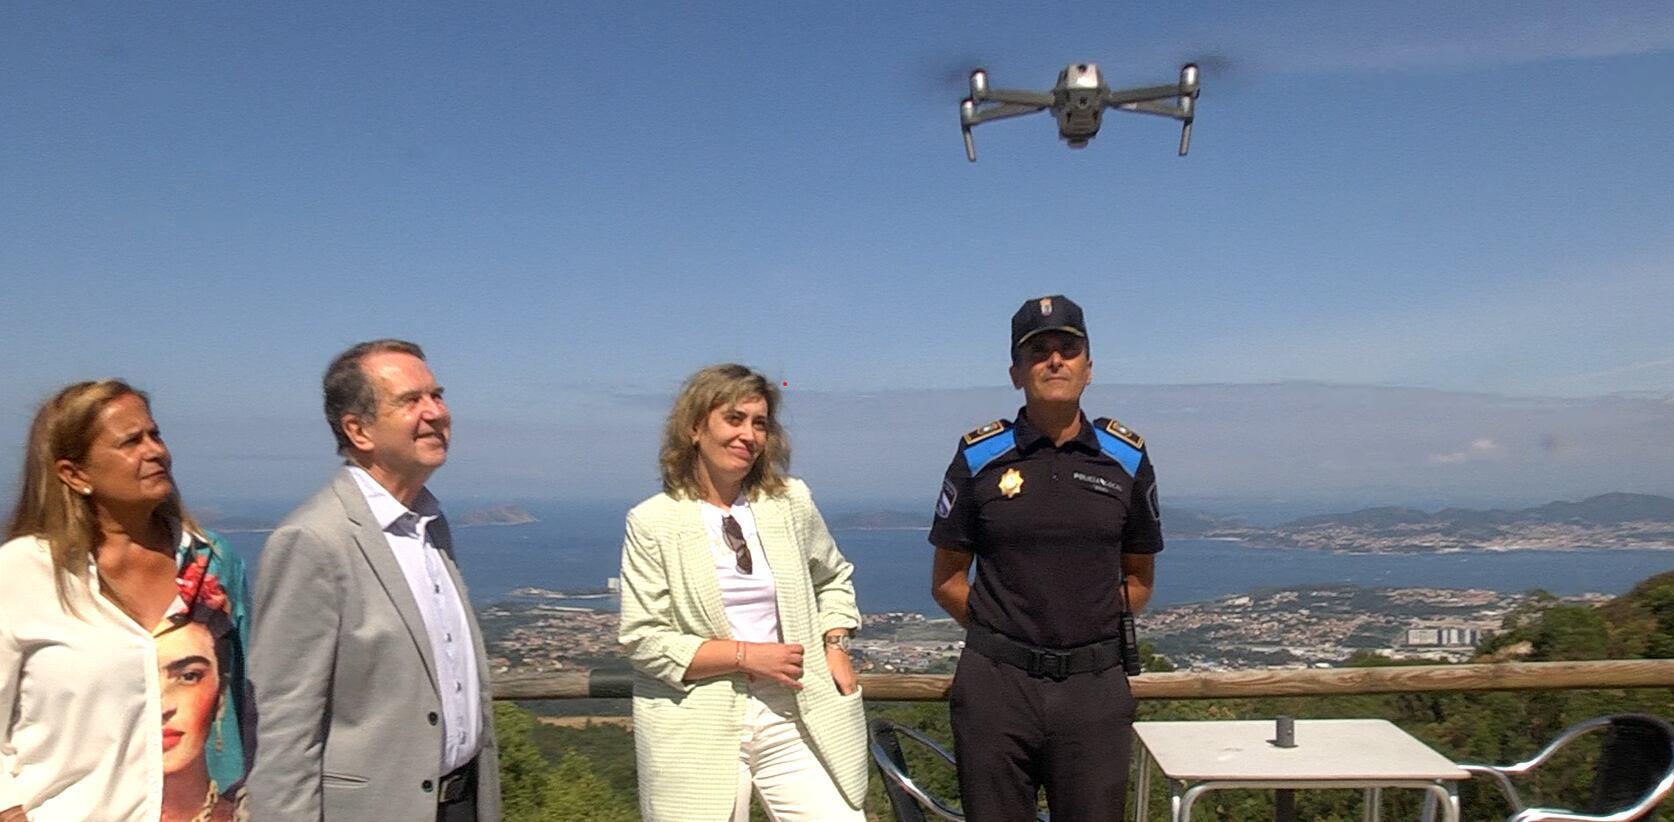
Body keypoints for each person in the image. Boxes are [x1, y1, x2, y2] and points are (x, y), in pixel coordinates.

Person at [929, 295, 1164, 822]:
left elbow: (1140, 577)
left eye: (1068, 349)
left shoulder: (1126, 458)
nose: (1054, 360)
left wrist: (1082, 627)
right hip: (996, 688)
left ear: (1089, 367)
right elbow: (946, 580)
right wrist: (1007, 632)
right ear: (1016, 373)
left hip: (1093, 688)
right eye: (1037, 351)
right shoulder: (979, 456)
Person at [245, 339, 501, 822]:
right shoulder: (313, 539)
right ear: (358, 430)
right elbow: (284, 722)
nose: (436, 413)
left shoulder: (430, 525)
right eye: (411, 400)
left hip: (463, 802)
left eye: (437, 395)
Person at [618, 364, 868, 822]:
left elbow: (833, 577)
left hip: (793, 711)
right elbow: (643, 638)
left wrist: (835, 644)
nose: (749, 435)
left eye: (759, 423)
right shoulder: (654, 522)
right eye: (734, 419)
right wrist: (746, 656)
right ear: (695, 428)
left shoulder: (790, 502)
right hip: (698, 721)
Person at [0, 380, 252, 822]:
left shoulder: (213, 561)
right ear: (74, 475)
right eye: (130, 442)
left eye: (155, 435)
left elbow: (246, 701)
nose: (155, 452)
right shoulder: (23, 572)